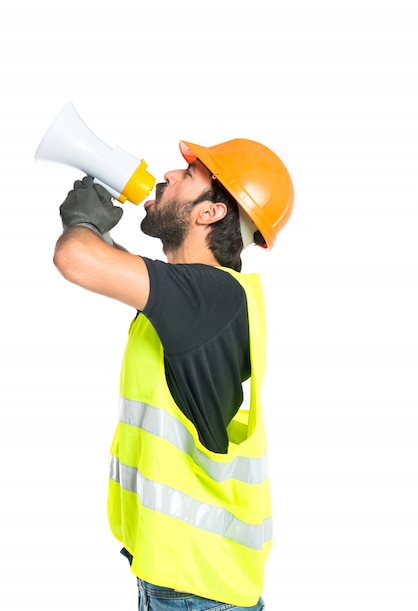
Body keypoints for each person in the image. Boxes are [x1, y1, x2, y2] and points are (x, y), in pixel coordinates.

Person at [53, 137, 294, 610]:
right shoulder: (203, 297)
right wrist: (96, 228)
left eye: (190, 175)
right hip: (186, 580)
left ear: (211, 213)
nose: (169, 174)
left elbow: (76, 259)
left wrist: (83, 223)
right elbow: (119, 268)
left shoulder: (209, 295)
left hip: (195, 591)